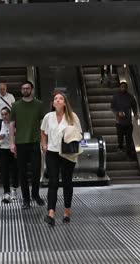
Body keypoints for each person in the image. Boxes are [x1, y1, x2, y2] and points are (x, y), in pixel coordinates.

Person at [41, 92, 82, 226]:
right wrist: (44, 143)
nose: (57, 100)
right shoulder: (48, 116)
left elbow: (79, 133)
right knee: (53, 181)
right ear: (53, 103)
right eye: (55, 99)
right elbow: (43, 130)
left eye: (60, 98)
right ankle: (51, 213)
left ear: (65, 103)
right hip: (52, 152)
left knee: (67, 182)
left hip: (68, 153)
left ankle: (66, 211)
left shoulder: (72, 116)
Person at [10, 81, 46, 209]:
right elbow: (11, 124)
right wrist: (12, 143)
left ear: (32, 89)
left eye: (27, 88)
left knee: (36, 171)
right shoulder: (15, 105)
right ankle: (26, 199)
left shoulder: (39, 105)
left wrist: (44, 141)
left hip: (35, 142)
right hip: (20, 143)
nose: (25, 90)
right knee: (22, 173)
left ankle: (35, 195)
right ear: (21, 90)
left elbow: (43, 124)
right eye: (23, 88)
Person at [0, 107, 18, 203]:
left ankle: (14, 190)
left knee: (14, 170)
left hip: (13, 150)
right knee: (4, 172)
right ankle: (6, 193)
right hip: (3, 150)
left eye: (6, 114)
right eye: (2, 114)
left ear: (9, 114)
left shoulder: (15, 124)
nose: (4, 116)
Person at [111, 81, 138, 158]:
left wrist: (135, 114)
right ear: (120, 87)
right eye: (122, 87)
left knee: (129, 138)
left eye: (124, 87)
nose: (123, 88)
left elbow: (134, 106)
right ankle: (120, 147)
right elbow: (112, 107)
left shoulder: (130, 97)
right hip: (119, 121)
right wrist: (117, 113)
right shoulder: (116, 97)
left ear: (126, 88)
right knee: (120, 137)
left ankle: (129, 152)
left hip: (128, 122)